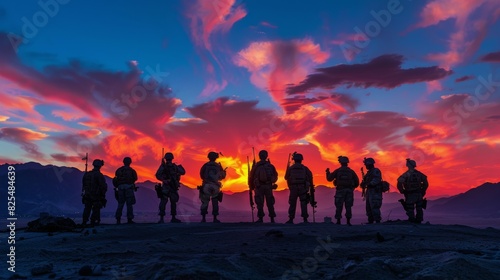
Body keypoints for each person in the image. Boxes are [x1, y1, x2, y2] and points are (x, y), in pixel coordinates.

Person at [326, 156, 359, 225]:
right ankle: (348, 221)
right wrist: (352, 188)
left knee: (339, 206)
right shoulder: (351, 171)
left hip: (340, 191)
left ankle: (338, 221)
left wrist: (327, 172)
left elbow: (329, 179)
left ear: (340, 163)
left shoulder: (338, 171)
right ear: (347, 163)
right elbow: (357, 182)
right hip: (349, 191)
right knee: (348, 206)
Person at [155, 152, 186, 223]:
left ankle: (165, 218)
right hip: (167, 186)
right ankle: (168, 218)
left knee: (170, 202)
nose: (169, 161)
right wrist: (164, 180)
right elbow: (158, 175)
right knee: (167, 202)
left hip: (172, 186)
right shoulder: (164, 166)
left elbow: (183, 172)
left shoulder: (173, 167)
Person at [249, 150, 278, 223]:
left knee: (259, 203)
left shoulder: (256, 166)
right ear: (266, 156)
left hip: (259, 187)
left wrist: (251, 186)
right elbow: (275, 177)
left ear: (259, 156)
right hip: (268, 186)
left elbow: (251, 177)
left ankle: (261, 218)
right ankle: (272, 218)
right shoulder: (271, 166)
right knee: (270, 203)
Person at [397, 158, 429, 223]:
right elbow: (426, 183)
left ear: (408, 165)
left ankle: (412, 220)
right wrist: (423, 191)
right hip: (419, 194)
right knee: (419, 208)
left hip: (410, 194)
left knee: (410, 208)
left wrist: (402, 191)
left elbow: (399, 182)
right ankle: (419, 220)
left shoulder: (406, 174)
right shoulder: (419, 174)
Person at [284, 153, 313, 224]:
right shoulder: (305, 168)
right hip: (302, 188)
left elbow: (286, 177)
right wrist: (310, 187)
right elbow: (310, 177)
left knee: (292, 203)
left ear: (294, 160)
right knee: (303, 203)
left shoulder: (291, 168)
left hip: (293, 188)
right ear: (301, 160)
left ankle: (291, 219)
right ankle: (305, 219)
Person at [199, 151, 227, 223]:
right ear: (215, 158)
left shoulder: (205, 165)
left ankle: (203, 218)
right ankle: (215, 218)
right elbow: (222, 176)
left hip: (206, 185)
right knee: (215, 202)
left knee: (205, 202)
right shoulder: (218, 166)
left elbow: (201, 175)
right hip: (215, 186)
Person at [82, 159, 107, 226]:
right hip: (96, 195)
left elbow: (84, 185)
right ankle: (93, 221)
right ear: (100, 166)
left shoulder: (87, 174)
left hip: (87, 194)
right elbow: (103, 186)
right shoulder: (99, 175)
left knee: (87, 208)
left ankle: (84, 221)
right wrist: (103, 194)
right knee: (96, 208)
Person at [114, 157, 138, 224]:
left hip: (120, 189)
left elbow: (115, 179)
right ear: (130, 162)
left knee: (120, 204)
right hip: (129, 189)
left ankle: (118, 219)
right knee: (129, 205)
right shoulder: (132, 171)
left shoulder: (119, 170)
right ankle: (129, 219)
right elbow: (135, 179)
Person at [360, 157, 383, 224]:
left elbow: (376, 180)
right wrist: (363, 184)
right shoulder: (368, 173)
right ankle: (370, 221)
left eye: (366, 165)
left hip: (375, 191)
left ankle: (377, 221)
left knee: (375, 206)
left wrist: (369, 184)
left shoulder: (376, 171)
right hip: (369, 191)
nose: (366, 166)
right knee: (369, 207)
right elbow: (364, 182)